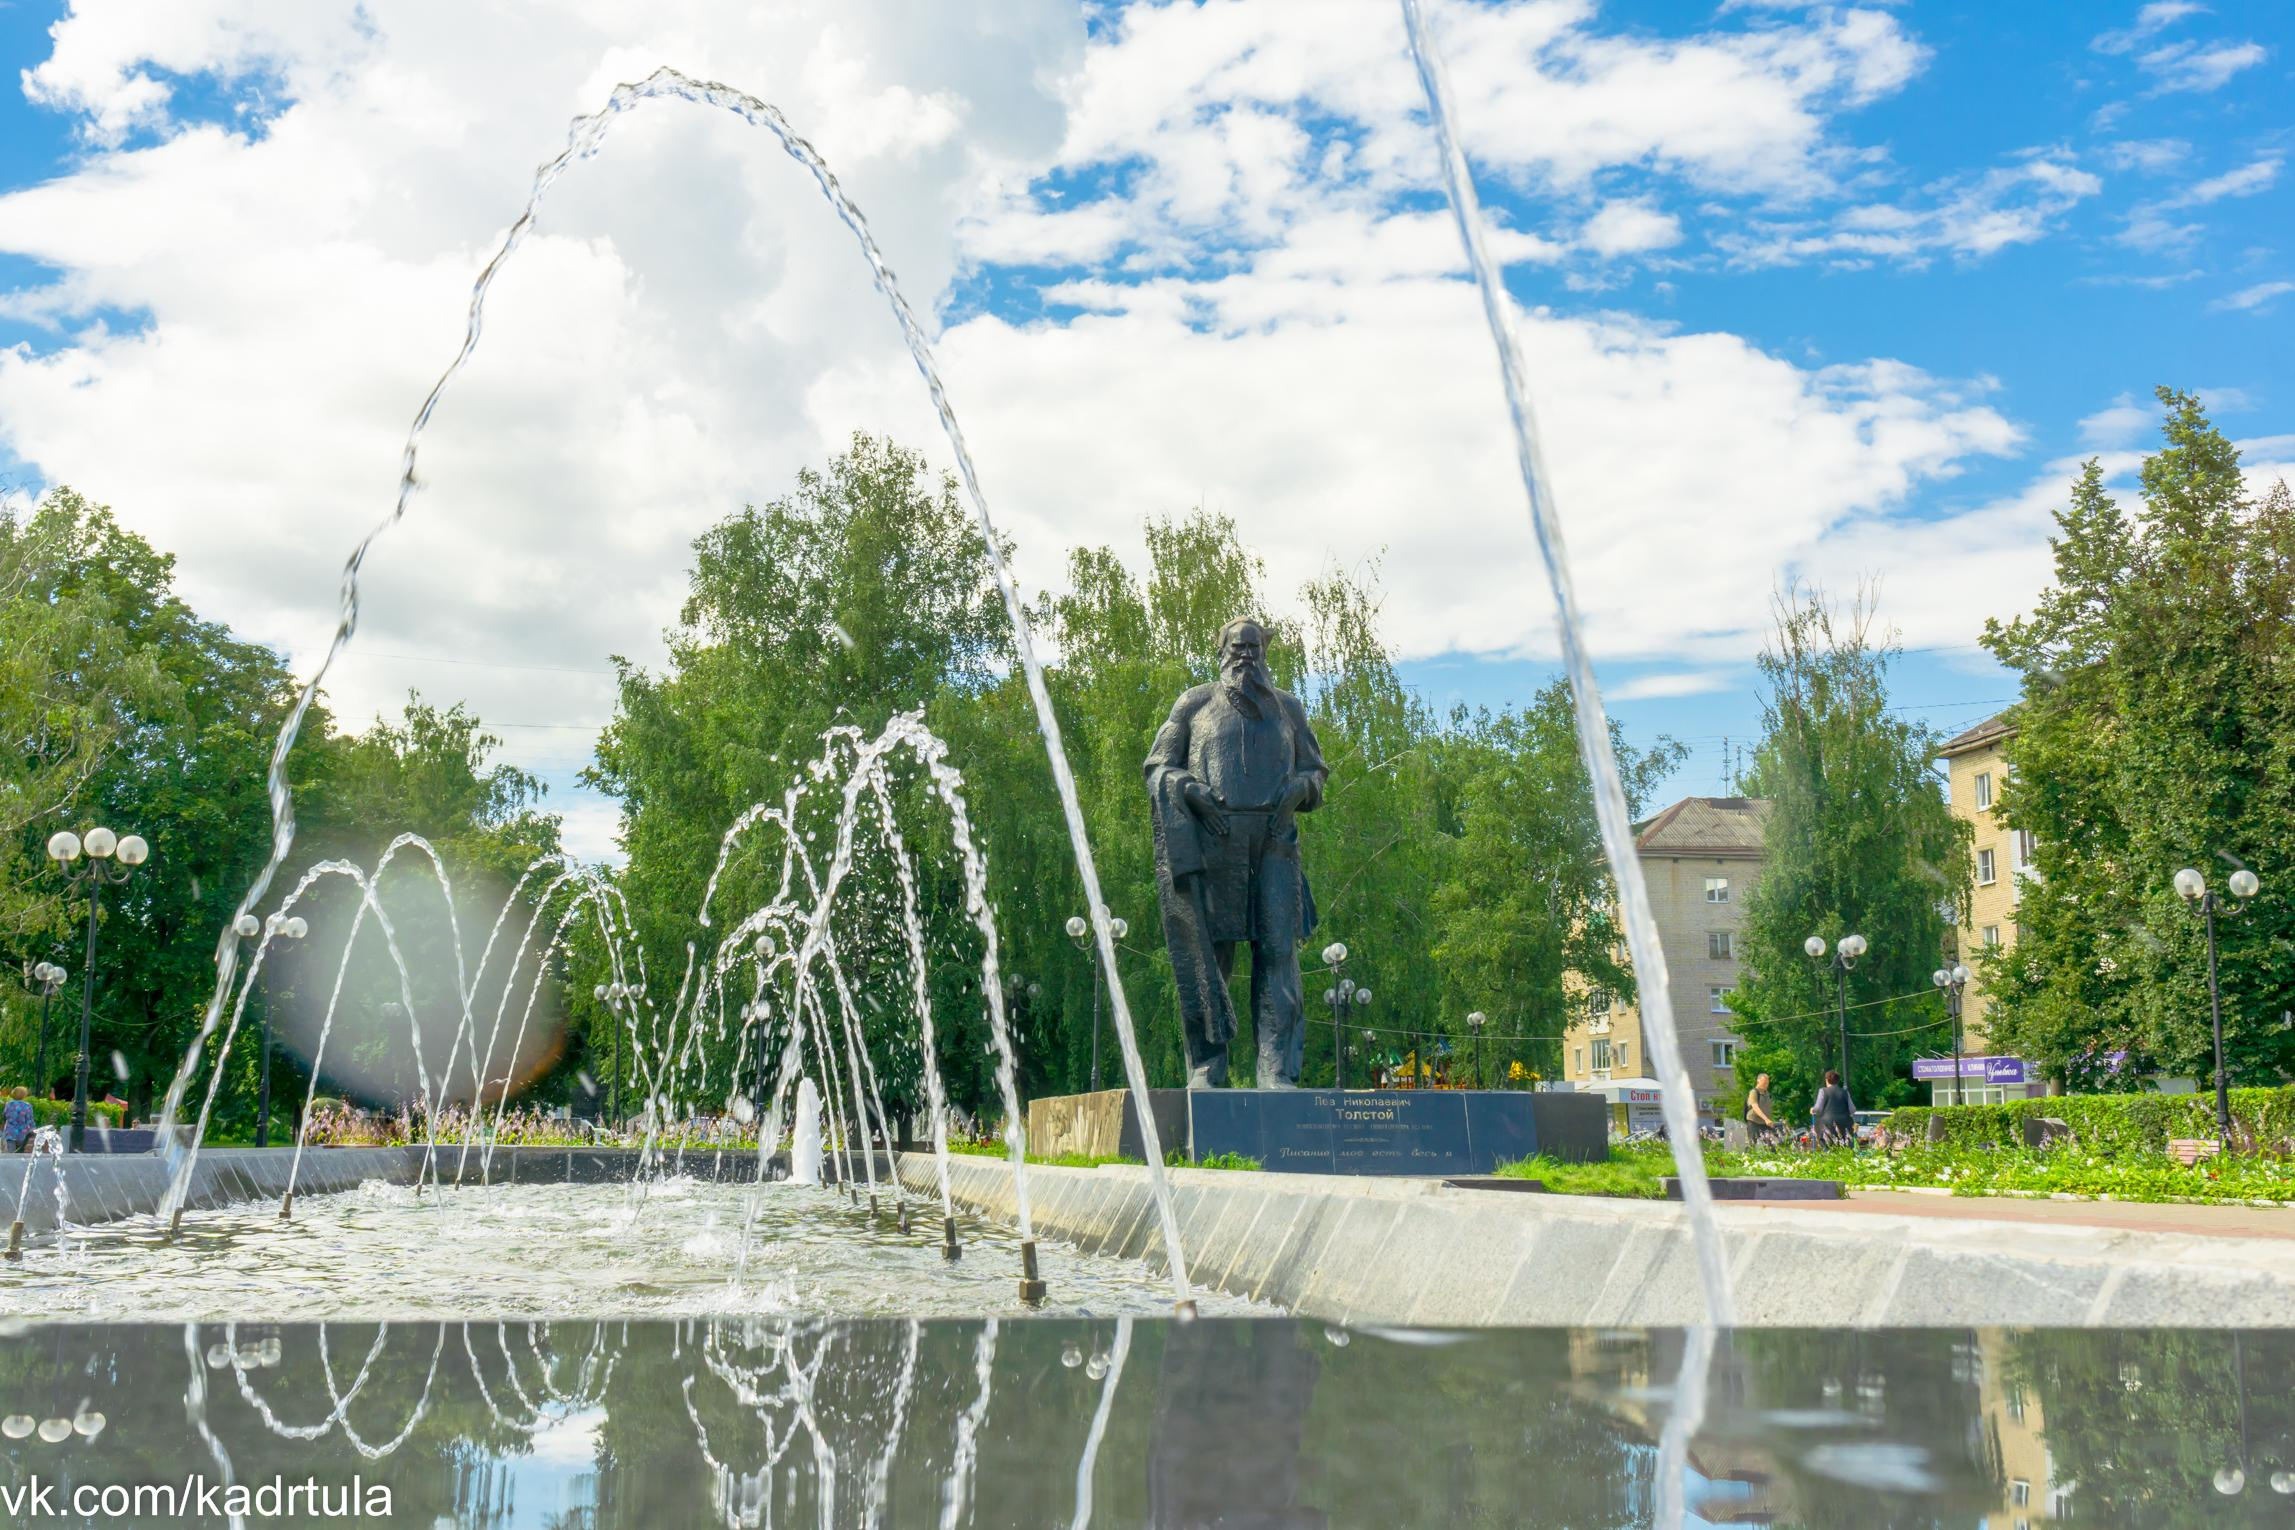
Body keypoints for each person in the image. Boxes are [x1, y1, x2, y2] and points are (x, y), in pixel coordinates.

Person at [1810, 1069, 1856, 1147]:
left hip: (1828, 1124)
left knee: (1828, 1147)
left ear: (1827, 1080)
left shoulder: (1823, 1091)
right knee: (1846, 1147)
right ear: (1837, 1081)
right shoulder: (1845, 1092)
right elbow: (1852, 1110)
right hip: (1845, 1124)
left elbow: (1818, 1109)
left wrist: (1812, 1109)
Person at [1745, 1073, 1778, 1143]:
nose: (1766, 1085)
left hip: (1765, 1124)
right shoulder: (1754, 1092)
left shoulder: (1767, 1094)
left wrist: (1769, 1121)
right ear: (1758, 1081)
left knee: (1772, 1146)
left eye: (1767, 1083)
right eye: (1764, 1083)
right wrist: (1766, 1119)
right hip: (1754, 1123)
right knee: (1752, 1145)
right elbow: (1755, 1107)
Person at [3, 1086, 34, 1153]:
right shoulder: (27, 1106)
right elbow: (30, 1120)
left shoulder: (8, 1104)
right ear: (24, 1095)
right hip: (23, 1133)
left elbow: (5, 1116)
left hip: (10, 1132)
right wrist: (33, 1130)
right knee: (20, 1154)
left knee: (11, 1154)